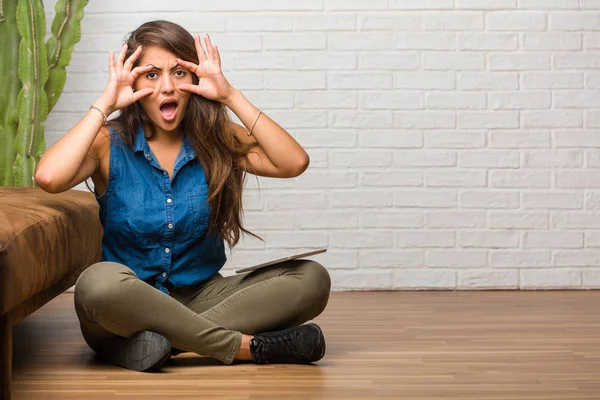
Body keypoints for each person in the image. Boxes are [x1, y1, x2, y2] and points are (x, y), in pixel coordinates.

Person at [35, 20, 331, 372]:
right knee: (97, 285)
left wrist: (230, 96)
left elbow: (293, 162)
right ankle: (246, 347)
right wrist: (106, 102)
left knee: (311, 278)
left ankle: (156, 345)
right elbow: (49, 177)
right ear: (133, 82)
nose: (167, 87)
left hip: (203, 295)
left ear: (194, 81)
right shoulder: (106, 143)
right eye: (151, 75)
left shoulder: (217, 136)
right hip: (127, 300)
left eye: (178, 72)